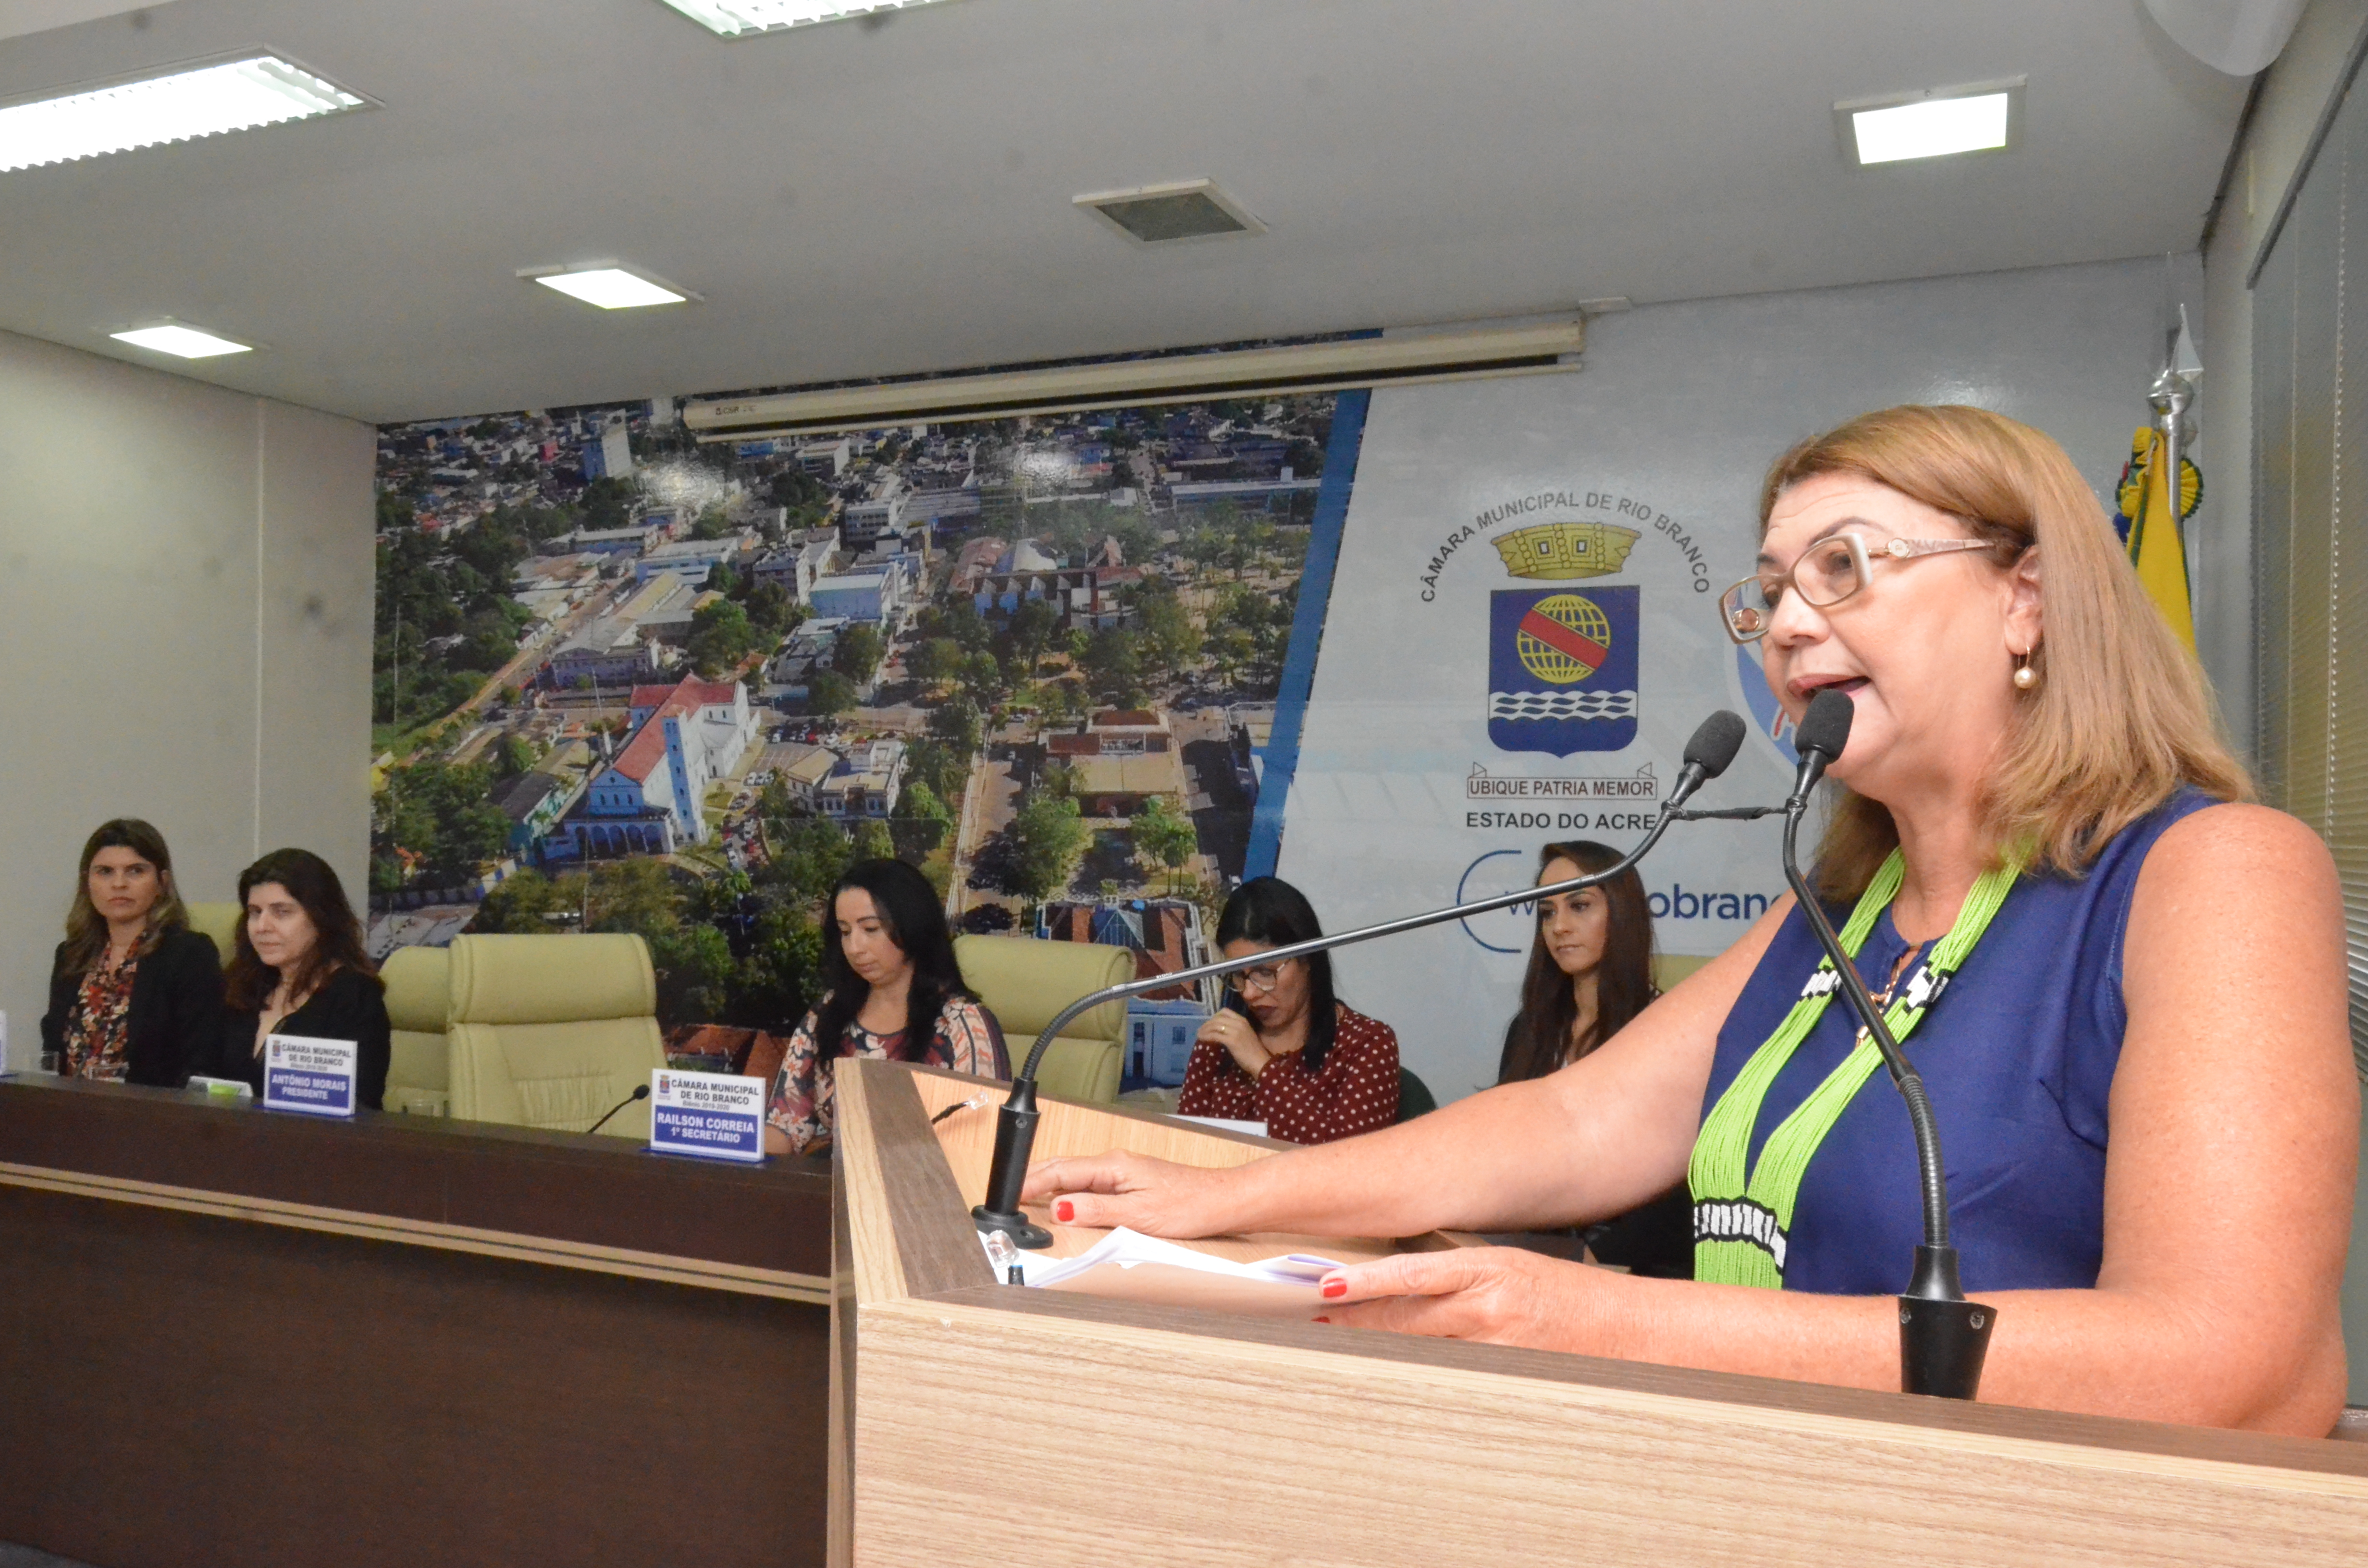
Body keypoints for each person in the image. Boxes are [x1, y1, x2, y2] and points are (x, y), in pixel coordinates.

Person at [1024, 405, 2358, 1435]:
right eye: (1770, 587)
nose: (1785, 625)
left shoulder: (2214, 875)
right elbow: (1575, 1122)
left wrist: (1609, 1319)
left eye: (1845, 567)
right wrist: (1231, 1195)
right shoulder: (1841, 906)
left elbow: (2229, 1361)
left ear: (2028, 598)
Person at [1498, 841, 1688, 1277]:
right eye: (1547, 912)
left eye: (1579, 906)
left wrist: (1593, 1260)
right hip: (1533, 1248)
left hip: (1631, 1267)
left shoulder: (1664, 1029)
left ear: (1622, 914)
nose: (1559, 926)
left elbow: (1678, 1181)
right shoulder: (1527, 1031)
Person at [763, 858, 1005, 1156]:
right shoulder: (827, 1013)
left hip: (925, 1192)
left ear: (912, 927)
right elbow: (786, 1126)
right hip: (832, 1188)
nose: (854, 947)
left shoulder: (962, 1024)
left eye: (870, 929)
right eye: (845, 931)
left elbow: (981, 1143)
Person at [1178, 877, 1399, 1144]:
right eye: (1237, 975)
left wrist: (1262, 1067)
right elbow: (1184, 1149)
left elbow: (1347, 1163)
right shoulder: (1222, 1039)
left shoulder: (1368, 1044)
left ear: (1307, 960)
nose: (1250, 993)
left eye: (1265, 972)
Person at [39, 819, 222, 1087]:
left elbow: (202, 1064)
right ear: (87, 883)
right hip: (71, 1114)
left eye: (136, 871)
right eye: (105, 872)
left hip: (150, 1118)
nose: (119, 884)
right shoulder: (72, 955)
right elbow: (52, 1054)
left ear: (162, 883)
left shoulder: (189, 954)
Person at [220, 848, 390, 1111]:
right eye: (255, 912)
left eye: (282, 912)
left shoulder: (353, 995)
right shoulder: (240, 986)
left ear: (321, 917)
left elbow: (361, 1103)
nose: (262, 926)